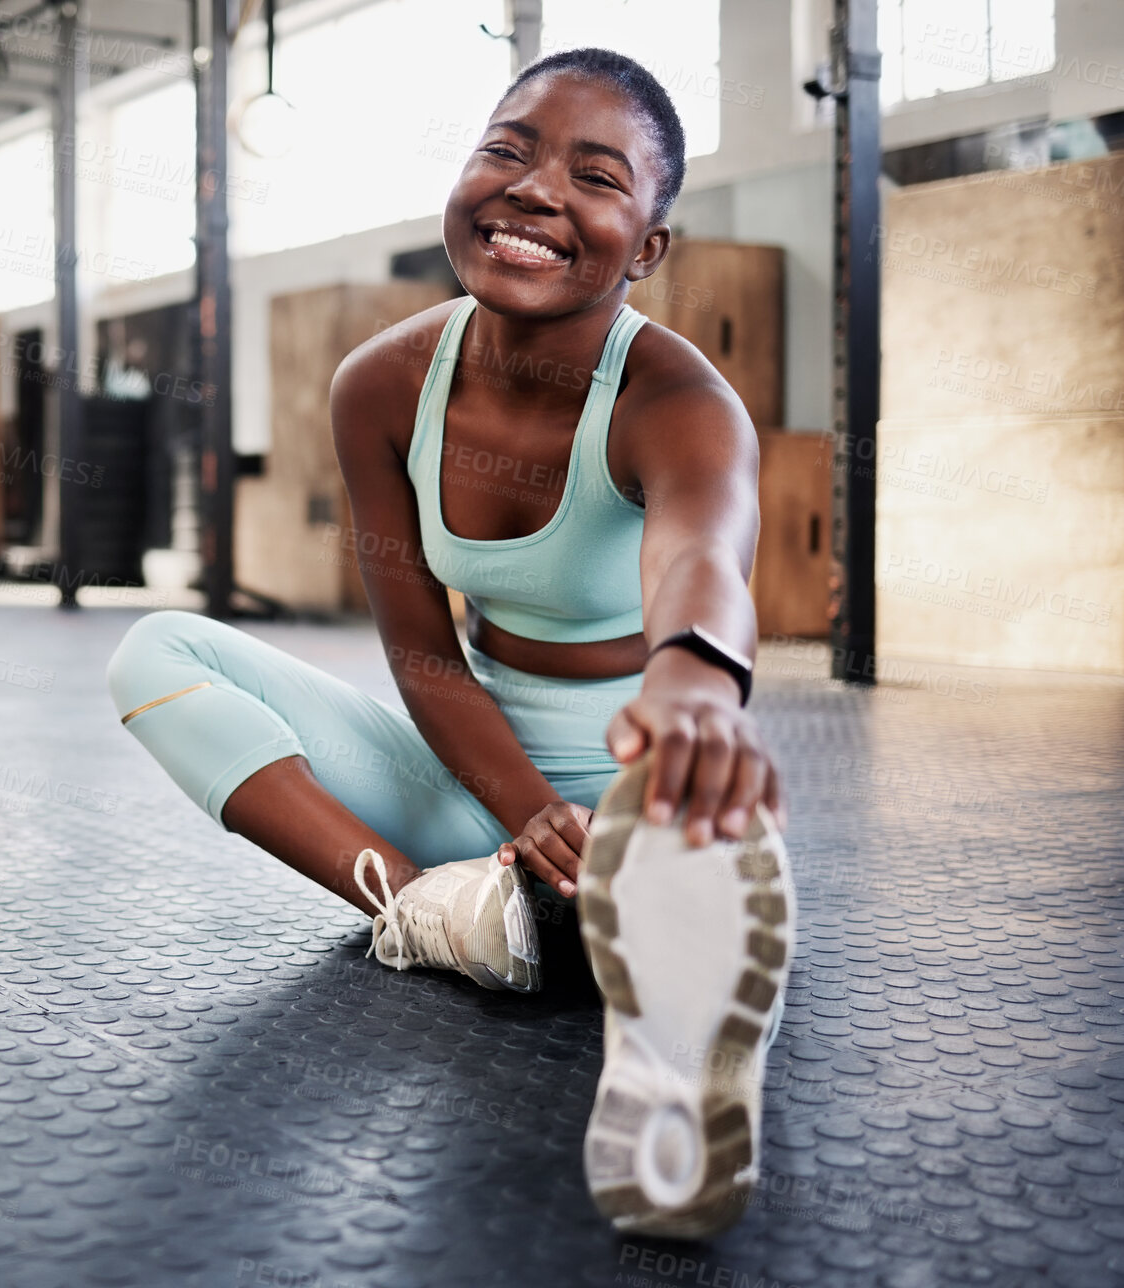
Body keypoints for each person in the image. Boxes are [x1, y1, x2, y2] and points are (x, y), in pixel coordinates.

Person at [105, 47, 793, 1239]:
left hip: (653, 780)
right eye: (506, 150)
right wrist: (523, 811)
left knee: (682, 845)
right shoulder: (383, 384)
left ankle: (676, 1025)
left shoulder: (678, 402)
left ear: (647, 247)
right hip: (477, 784)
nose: (533, 190)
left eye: (595, 175)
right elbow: (422, 651)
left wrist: (693, 695)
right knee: (156, 653)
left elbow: (700, 559)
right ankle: (442, 911)